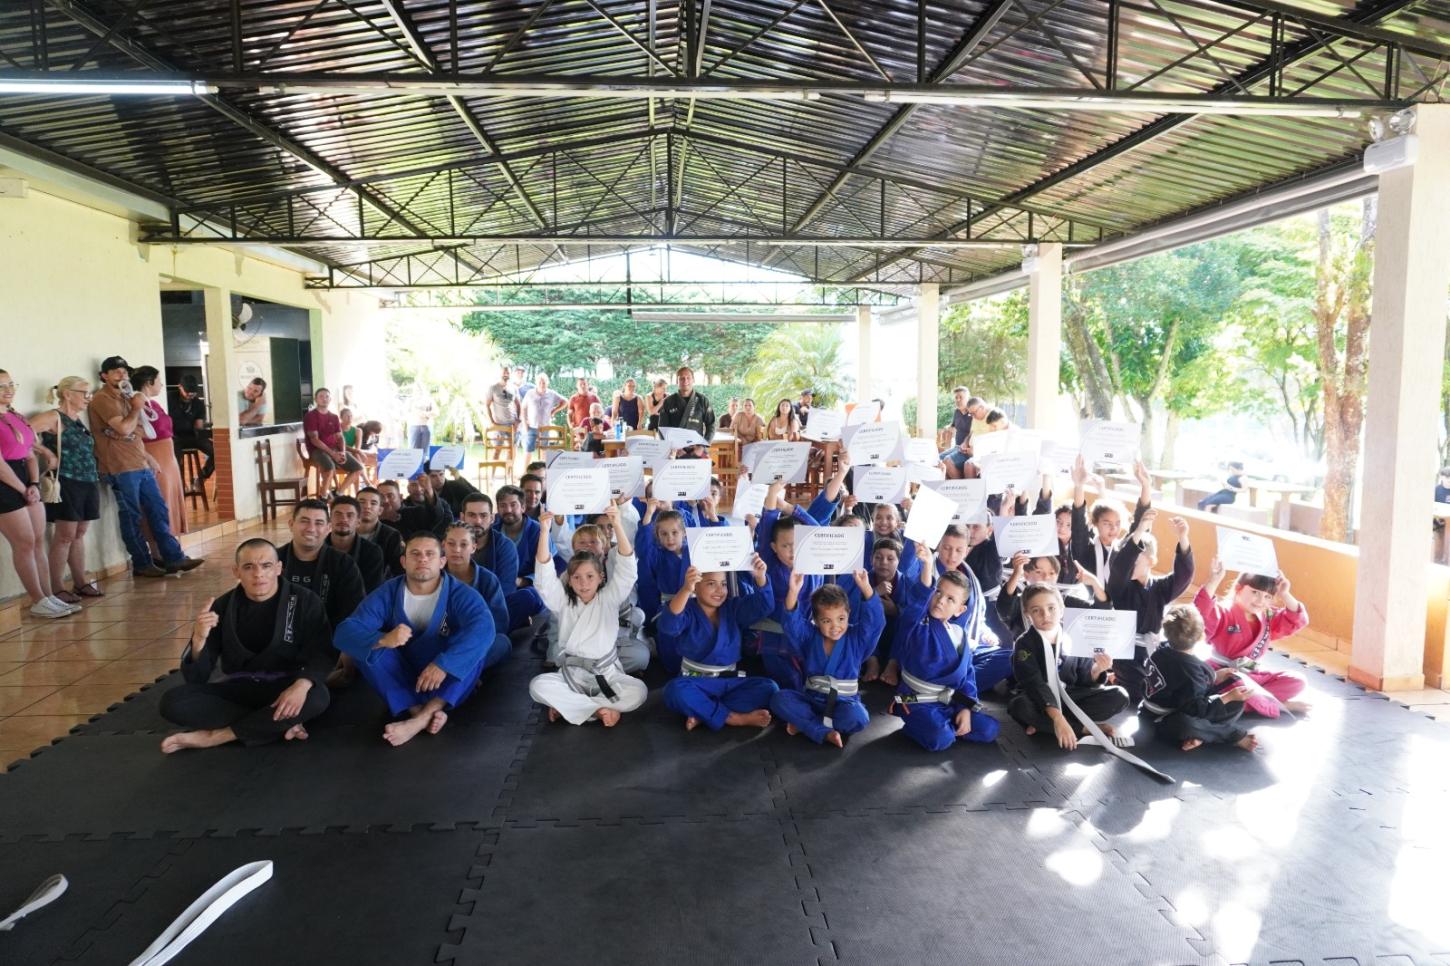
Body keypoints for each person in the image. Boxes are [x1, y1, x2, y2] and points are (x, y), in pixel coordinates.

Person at [159, 539, 332, 753]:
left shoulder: (306, 601)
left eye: (266, 566)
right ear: (236, 571)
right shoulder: (222, 607)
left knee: (318, 697)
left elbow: (323, 652)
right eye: (249, 567)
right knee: (172, 702)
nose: (258, 574)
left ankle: (218, 736)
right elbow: (197, 678)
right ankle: (276, 724)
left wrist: (302, 685)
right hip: (240, 688)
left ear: (278, 568)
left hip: (286, 686)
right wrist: (199, 640)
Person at [335, 533, 508, 746]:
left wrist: (444, 664)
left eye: (430, 554)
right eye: (415, 554)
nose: (422, 559)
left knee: (475, 651)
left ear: (442, 562)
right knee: (368, 649)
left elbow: (483, 629)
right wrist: (383, 639)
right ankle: (419, 711)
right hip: (403, 673)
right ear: (403, 562)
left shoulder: (459, 593)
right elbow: (345, 632)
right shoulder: (388, 593)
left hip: (443, 676)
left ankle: (420, 720)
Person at [529, 509, 648, 727]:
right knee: (538, 685)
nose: (583, 583)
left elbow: (628, 570)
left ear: (601, 577)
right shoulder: (562, 602)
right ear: (570, 580)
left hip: (607, 673)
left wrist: (617, 525)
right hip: (572, 675)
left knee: (639, 691)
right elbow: (544, 579)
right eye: (577, 578)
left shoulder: (610, 598)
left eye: (590, 576)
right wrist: (544, 532)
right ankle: (600, 709)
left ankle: (571, 707)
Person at [88, 356, 202, 578]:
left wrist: (128, 429)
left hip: (139, 461)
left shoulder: (126, 397)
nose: (122, 375)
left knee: (158, 510)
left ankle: (173, 557)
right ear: (104, 375)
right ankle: (142, 562)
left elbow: (139, 430)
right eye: (116, 371)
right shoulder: (103, 399)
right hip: (120, 466)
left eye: (124, 372)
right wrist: (132, 415)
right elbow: (123, 428)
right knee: (131, 516)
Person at [888, 560, 1003, 752]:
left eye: (951, 599)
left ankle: (946, 724)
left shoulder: (960, 634)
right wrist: (926, 567)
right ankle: (928, 726)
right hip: (916, 701)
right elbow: (915, 607)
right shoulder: (916, 627)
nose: (941, 600)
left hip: (950, 702)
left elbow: (967, 676)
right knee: (940, 739)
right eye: (938, 592)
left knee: (990, 729)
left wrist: (966, 708)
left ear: (960, 609)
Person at [659, 559, 778, 731]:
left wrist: (760, 577)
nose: (719, 591)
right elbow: (669, 626)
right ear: (696, 586)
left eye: (723, 584)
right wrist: (685, 589)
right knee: (674, 690)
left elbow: (764, 606)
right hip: (696, 681)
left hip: (729, 681)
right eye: (711, 584)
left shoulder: (733, 608)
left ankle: (703, 711)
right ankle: (732, 717)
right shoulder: (688, 609)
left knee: (769, 688)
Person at [1007, 583, 1128, 749]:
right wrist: (1057, 718)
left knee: (1119, 695)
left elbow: (1084, 678)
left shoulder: (1075, 634)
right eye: (1036, 610)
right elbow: (1034, 684)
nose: (1045, 615)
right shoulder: (1024, 643)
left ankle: (1044, 725)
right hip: (1039, 700)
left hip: (1071, 696)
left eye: (1051, 608)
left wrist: (1098, 669)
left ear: (1062, 609)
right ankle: (1084, 728)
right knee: (1019, 706)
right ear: (1028, 615)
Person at [771, 573, 884, 748]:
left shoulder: (857, 638)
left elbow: (875, 623)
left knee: (858, 717)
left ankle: (808, 725)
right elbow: (792, 625)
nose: (835, 627)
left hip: (844, 702)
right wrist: (793, 591)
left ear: (849, 614)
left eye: (841, 619)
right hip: (812, 700)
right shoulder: (809, 637)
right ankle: (823, 730)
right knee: (780, 699)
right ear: (815, 621)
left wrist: (866, 588)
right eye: (826, 621)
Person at [0, 370, 75, 618]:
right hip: (6, 483)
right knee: (23, 543)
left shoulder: (15, 416)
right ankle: (37, 599)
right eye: (1, 386)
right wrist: (22, 489)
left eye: (11, 384)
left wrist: (33, 483)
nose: (8, 389)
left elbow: (30, 454)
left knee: (37, 541)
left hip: (25, 479)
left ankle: (49, 595)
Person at [1195, 559, 1310, 718]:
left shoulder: (1268, 616)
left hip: (1251, 674)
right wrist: (1214, 580)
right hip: (1223, 675)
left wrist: (1285, 593)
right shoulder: (1224, 611)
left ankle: (1240, 702)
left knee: (1297, 680)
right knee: (1236, 687)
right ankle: (1278, 705)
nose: (1260, 600)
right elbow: (1200, 616)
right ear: (1238, 589)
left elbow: (1296, 619)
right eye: (1255, 592)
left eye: (1267, 596)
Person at [1106, 510, 1195, 705]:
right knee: (1142, 692)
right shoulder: (1120, 587)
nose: (1129, 567)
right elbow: (1120, 567)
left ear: (1151, 561)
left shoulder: (1161, 588)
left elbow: (1184, 576)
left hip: (1154, 650)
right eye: (1128, 561)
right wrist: (1139, 530)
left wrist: (1183, 537)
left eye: (1135, 562)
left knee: (1182, 682)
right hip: (1127, 654)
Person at [1141, 604, 1258, 753]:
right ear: (1202, 635)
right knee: (1187, 724)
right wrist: (1227, 697)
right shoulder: (1189, 669)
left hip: (1168, 703)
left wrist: (1215, 676)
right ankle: (1227, 735)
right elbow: (1196, 709)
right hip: (1162, 719)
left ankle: (1202, 734)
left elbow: (1181, 682)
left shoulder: (1161, 650)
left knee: (1237, 702)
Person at [33, 377, 104, 604]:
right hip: (68, 481)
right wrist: (46, 453)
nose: (88, 398)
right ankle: (56, 586)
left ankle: (80, 581)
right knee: (64, 535)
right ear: (67, 394)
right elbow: (23, 432)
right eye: (84, 393)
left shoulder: (78, 419)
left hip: (87, 480)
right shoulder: (54, 417)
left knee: (79, 533)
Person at [278, 498, 366, 632]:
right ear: (291, 524)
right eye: (304, 521)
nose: (311, 529)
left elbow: (352, 611)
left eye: (319, 523)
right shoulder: (274, 560)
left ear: (328, 528)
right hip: (280, 639)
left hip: (327, 639)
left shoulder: (343, 564)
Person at [1070, 456, 1151, 584]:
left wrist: (1146, 485)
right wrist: (1079, 486)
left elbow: (1141, 524)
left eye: (1117, 523)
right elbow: (1078, 523)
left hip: (1121, 603)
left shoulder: (1124, 548)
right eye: (1107, 523)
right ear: (1095, 523)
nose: (1113, 528)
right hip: (1089, 602)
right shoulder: (1085, 549)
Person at [441, 522, 512, 666]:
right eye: (451, 544)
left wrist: (470, 642)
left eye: (463, 544)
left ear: (474, 547)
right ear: (443, 545)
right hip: (444, 642)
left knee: (502, 642)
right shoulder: (435, 579)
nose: (457, 550)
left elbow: (499, 624)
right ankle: (466, 675)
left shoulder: (487, 580)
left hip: (477, 643)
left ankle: (467, 672)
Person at [130, 366, 188, 540]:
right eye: (158, 380)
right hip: (155, 454)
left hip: (168, 456)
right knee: (160, 501)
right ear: (149, 382)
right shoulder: (137, 403)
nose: (161, 385)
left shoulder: (152, 403)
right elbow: (136, 433)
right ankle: (159, 550)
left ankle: (172, 545)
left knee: (171, 498)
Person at [304, 388, 364, 496]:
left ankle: (338, 493)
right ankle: (323, 497)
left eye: (327, 396)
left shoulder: (334, 417)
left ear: (330, 399)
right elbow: (315, 440)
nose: (324, 399)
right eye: (321, 396)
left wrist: (342, 451)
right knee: (329, 468)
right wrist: (333, 454)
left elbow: (340, 437)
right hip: (317, 450)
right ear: (315, 399)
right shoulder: (311, 416)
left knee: (358, 468)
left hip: (335, 449)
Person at [459, 493, 519, 591]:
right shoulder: (451, 545)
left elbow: (505, 590)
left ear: (492, 518)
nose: (478, 521)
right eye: (471, 515)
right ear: (462, 517)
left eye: (483, 516)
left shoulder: (505, 547)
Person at [327, 495, 386, 592]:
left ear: (358, 521)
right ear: (329, 520)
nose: (344, 519)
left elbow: (372, 591)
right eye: (338, 514)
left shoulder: (372, 552)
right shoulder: (317, 548)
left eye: (350, 515)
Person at [170, 375, 212, 484]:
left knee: (216, 452)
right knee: (175, 461)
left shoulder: (198, 403)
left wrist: (203, 430)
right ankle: (179, 486)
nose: (190, 395)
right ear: (180, 387)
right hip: (174, 437)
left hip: (192, 436)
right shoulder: (169, 398)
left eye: (193, 392)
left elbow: (198, 425)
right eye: (188, 391)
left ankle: (201, 478)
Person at [355, 486, 405, 577]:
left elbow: (398, 571)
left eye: (373, 503)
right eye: (362, 502)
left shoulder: (392, 536)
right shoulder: (345, 533)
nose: (367, 507)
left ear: (380, 510)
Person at [657, 366, 715, 440]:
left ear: (693, 380)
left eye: (688, 378)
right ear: (677, 381)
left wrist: (703, 446)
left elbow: (711, 425)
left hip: (696, 447)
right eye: (682, 378)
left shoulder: (703, 400)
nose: (685, 381)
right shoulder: (668, 401)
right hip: (675, 447)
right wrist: (671, 446)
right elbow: (662, 428)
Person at [519, 374, 567, 455]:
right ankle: (526, 468)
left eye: (544, 382)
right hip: (531, 427)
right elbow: (523, 408)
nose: (542, 384)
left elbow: (565, 401)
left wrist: (554, 410)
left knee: (544, 451)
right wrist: (524, 423)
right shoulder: (530, 393)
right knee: (528, 452)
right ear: (536, 383)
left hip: (545, 427)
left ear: (547, 383)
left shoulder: (552, 394)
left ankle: (543, 468)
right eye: (540, 382)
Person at [938, 387, 977, 480]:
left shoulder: (973, 413)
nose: (958, 400)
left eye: (961, 397)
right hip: (957, 447)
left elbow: (974, 432)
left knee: (947, 460)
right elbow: (953, 426)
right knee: (938, 459)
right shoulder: (957, 412)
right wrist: (945, 429)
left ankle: (961, 488)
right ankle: (947, 487)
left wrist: (966, 444)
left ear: (968, 398)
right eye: (956, 398)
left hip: (967, 450)